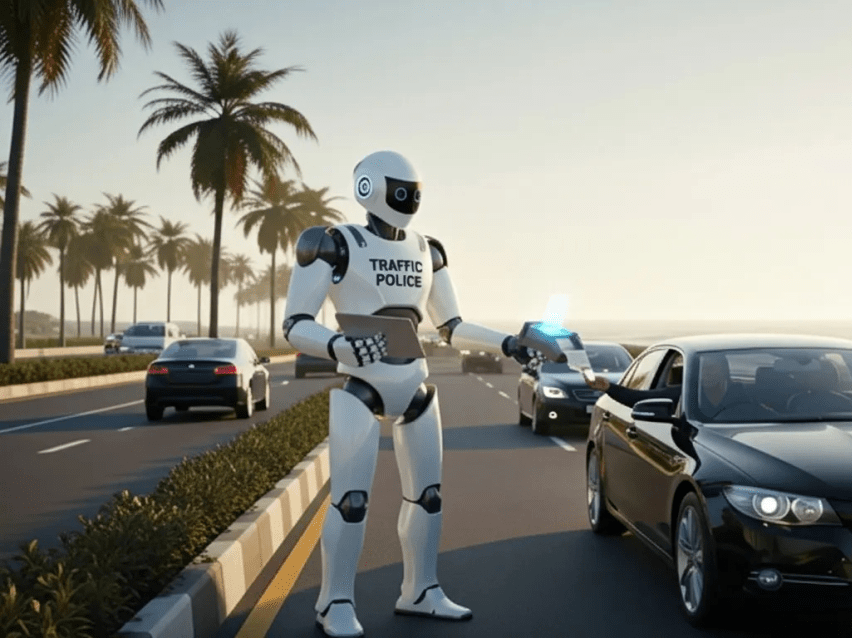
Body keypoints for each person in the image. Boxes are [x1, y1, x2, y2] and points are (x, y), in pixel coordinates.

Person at [283, 150, 534, 637]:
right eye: (401, 191)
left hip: (415, 388)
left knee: (429, 497)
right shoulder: (333, 245)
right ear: (371, 189)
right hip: (361, 386)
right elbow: (295, 323)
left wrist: (507, 342)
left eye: (414, 192)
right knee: (351, 500)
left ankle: (421, 589)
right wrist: (337, 344)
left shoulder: (427, 250)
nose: (409, 200)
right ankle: (333, 600)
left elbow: (451, 326)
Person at [585, 352, 748, 418]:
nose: (706, 374)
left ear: (724, 371)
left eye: (712, 369)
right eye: (703, 369)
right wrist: (609, 387)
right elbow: (639, 398)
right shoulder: (682, 394)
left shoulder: (744, 395)